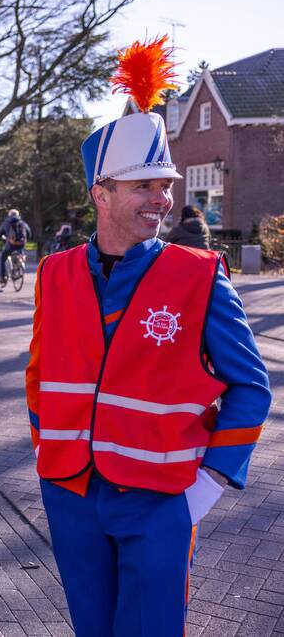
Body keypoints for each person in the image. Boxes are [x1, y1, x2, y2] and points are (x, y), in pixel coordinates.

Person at [26, 37, 271, 636]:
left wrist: (208, 484)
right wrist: (47, 455)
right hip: (70, 490)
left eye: (166, 184)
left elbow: (251, 388)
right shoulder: (55, 273)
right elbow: (38, 377)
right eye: (143, 185)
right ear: (100, 194)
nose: (162, 199)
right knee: (92, 626)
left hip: (162, 495)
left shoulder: (198, 274)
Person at [0, 209, 31, 286]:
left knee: (3, 259)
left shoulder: (6, 222)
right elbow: (29, 232)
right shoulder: (22, 222)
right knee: (20, 254)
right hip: (21, 244)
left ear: (9, 215)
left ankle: (3, 278)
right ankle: (18, 267)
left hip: (10, 244)